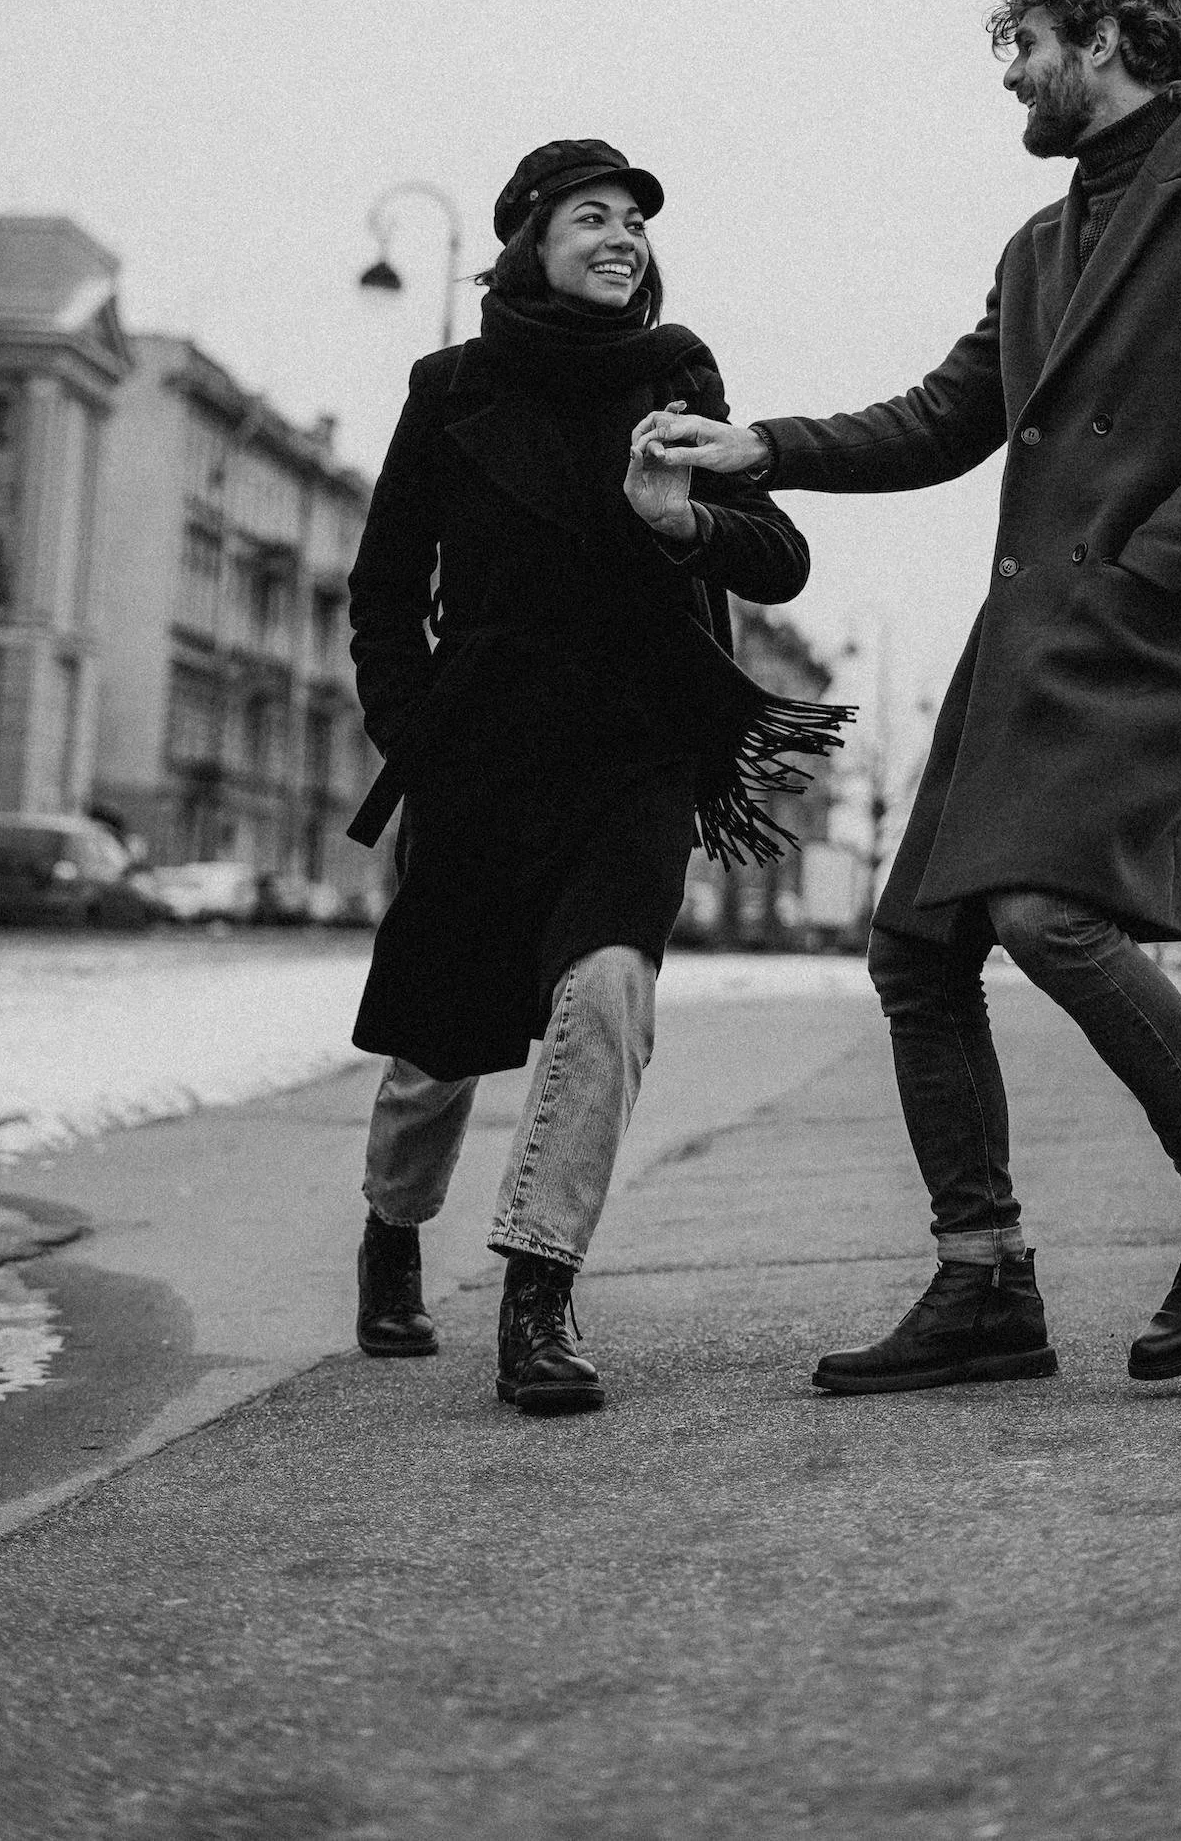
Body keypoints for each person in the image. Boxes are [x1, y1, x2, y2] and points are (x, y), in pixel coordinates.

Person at [637, 0, 1181, 1393]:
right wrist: (762, 448)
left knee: (1049, 913)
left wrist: (1151, 567)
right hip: (1027, 644)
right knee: (914, 949)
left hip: (1153, 634)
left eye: (1023, 43)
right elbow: (943, 418)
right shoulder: (1041, 244)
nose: (1011, 76)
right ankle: (984, 1280)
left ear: (1103, 34)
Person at [345, 138, 845, 1415]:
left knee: (610, 993)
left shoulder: (677, 372)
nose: (621, 236)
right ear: (528, 240)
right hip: (485, 747)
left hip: (635, 743)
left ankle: (537, 1294)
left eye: (634, 219)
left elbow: (778, 557)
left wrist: (681, 521)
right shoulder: (448, 385)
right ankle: (394, 1232)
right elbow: (388, 586)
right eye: (591, 216)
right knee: (437, 1041)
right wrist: (413, 728)